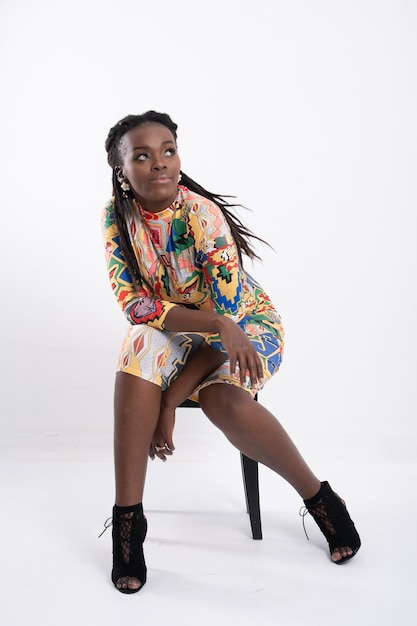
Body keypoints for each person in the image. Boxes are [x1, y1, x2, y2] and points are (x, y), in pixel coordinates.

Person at [101, 110, 361, 594]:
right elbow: (135, 305)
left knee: (222, 402)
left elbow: (232, 322)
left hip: (245, 326)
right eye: (143, 156)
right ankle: (128, 525)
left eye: (168, 150)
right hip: (186, 326)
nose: (160, 163)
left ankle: (321, 499)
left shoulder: (200, 214)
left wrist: (169, 403)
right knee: (136, 342)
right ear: (123, 170)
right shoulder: (116, 218)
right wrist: (204, 328)